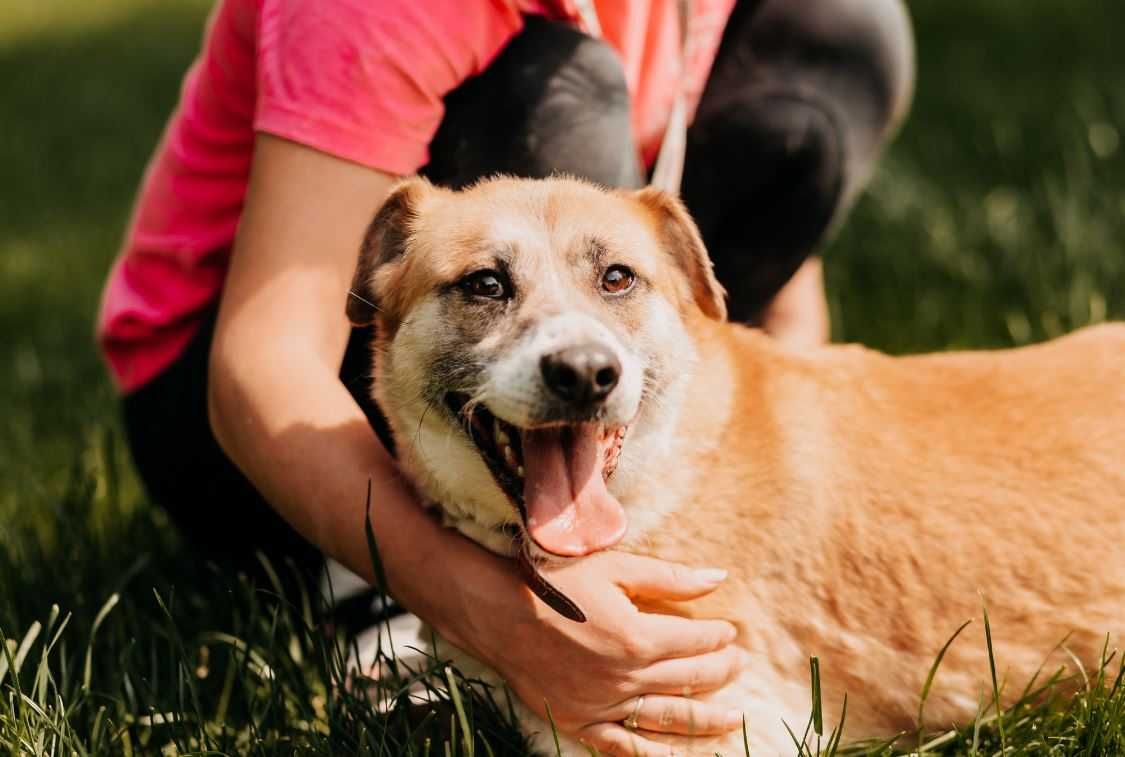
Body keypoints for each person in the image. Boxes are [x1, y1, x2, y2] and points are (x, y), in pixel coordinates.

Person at [98, 0, 914, 752]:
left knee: (834, 34)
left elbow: (765, 272)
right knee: (563, 92)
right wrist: (503, 621)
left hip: (556, 312)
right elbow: (260, 365)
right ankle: (381, 599)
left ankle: (614, 508)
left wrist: (792, 505)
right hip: (248, 399)